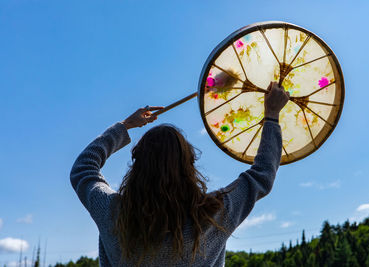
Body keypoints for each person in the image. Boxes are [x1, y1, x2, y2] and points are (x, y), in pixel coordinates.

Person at [70, 82, 290, 266]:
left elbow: (83, 169)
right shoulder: (213, 215)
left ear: (137, 165)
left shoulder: (112, 212)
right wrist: (271, 115)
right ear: (189, 165)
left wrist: (125, 126)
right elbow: (262, 174)